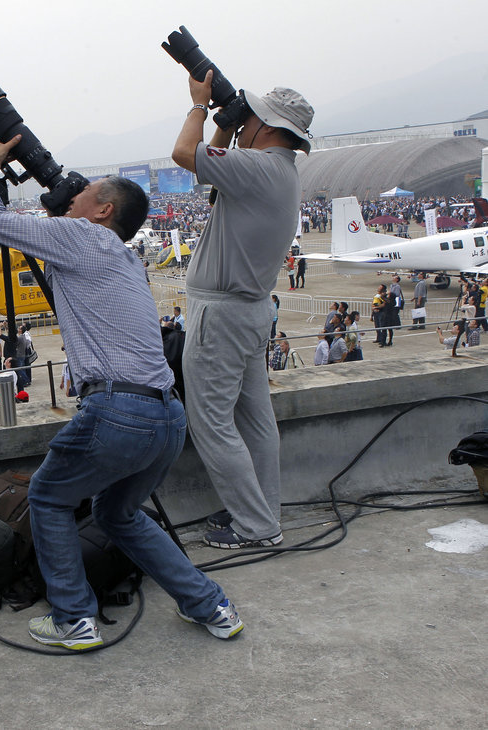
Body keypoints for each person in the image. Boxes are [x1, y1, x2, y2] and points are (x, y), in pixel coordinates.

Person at [0, 135, 242, 651]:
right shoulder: (121, 255)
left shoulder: (83, 239)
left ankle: (74, 618)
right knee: (118, 514)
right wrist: (55, 213)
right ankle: (211, 606)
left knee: (49, 497)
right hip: (165, 414)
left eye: (81, 195)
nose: (70, 198)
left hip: (118, 411)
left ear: (104, 210)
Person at [171, 73, 314, 549]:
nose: (244, 122)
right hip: (250, 312)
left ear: (268, 127)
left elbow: (184, 155)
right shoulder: (279, 170)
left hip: (223, 315)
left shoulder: (259, 168)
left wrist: (198, 107)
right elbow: (204, 168)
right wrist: (226, 125)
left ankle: (255, 526)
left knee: (210, 421)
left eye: (249, 117)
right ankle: (262, 511)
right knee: (255, 420)